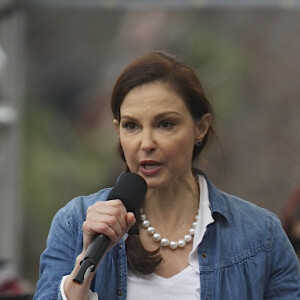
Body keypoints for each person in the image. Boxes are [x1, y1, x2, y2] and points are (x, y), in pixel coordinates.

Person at [34, 51, 300, 300]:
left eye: (165, 124)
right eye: (131, 126)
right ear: (118, 131)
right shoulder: (75, 222)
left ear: (200, 128)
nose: (146, 143)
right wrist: (88, 262)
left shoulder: (260, 235)